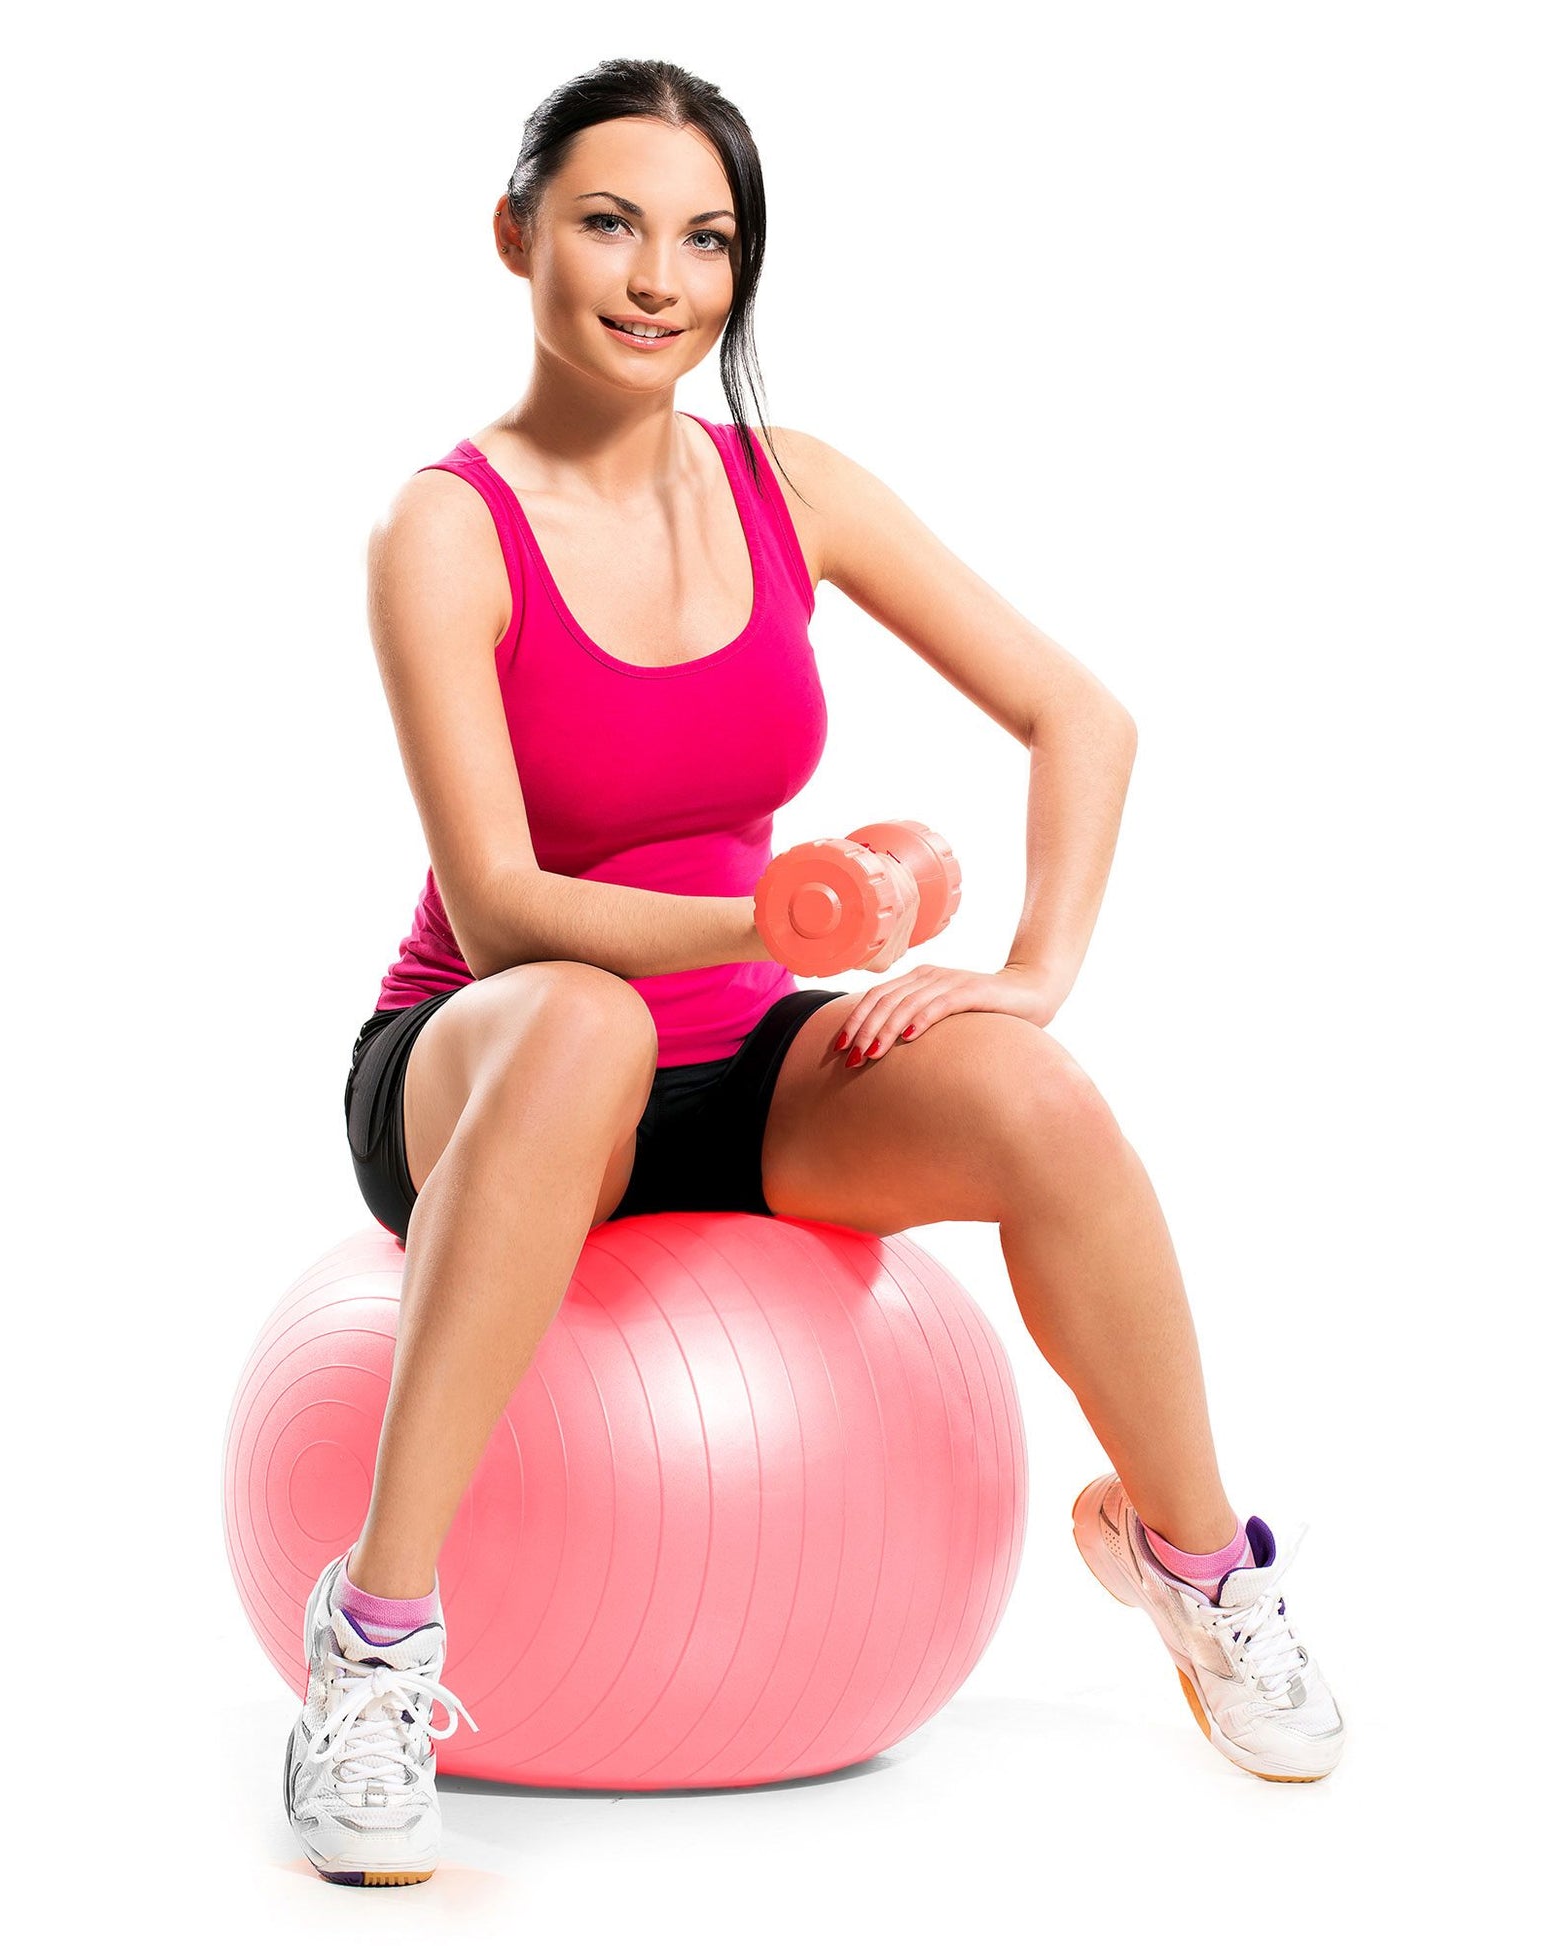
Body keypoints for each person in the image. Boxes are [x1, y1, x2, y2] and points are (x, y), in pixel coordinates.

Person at [286, 57, 1345, 1888]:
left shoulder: (790, 489)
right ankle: (371, 1651)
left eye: (706, 240)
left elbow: (1081, 715)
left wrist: (1031, 971)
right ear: (514, 235)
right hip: (487, 1065)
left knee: (1028, 1097)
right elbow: (507, 904)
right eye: (608, 223)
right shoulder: (444, 525)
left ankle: (1194, 1566)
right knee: (580, 1023)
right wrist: (778, 920)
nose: (658, 279)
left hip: (735, 1067)